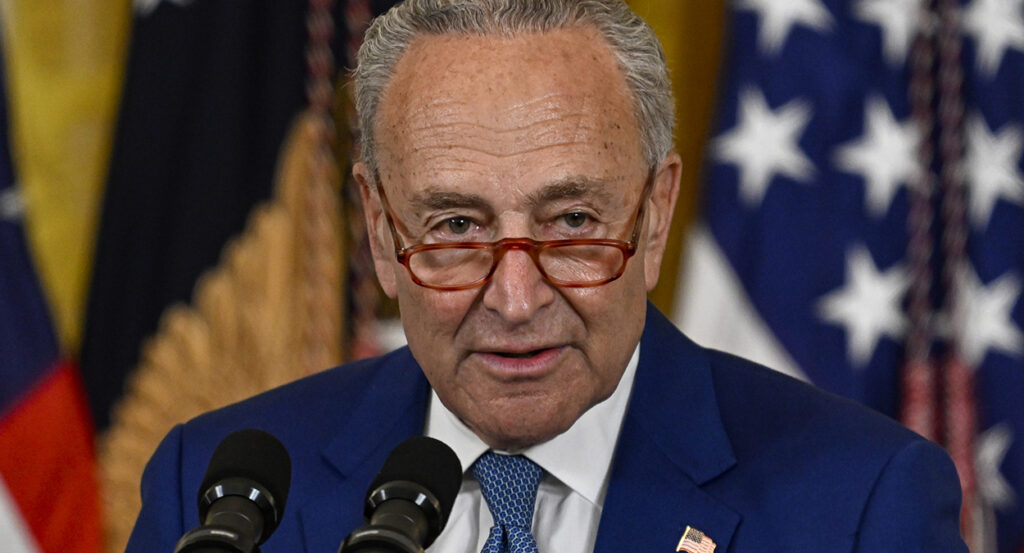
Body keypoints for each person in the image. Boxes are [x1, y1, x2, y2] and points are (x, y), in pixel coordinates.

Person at [125, 1, 968, 552]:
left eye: (571, 224)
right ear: (381, 231)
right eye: (456, 227)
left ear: (654, 214)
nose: (516, 300)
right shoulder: (213, 499)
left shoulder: (862, 505)